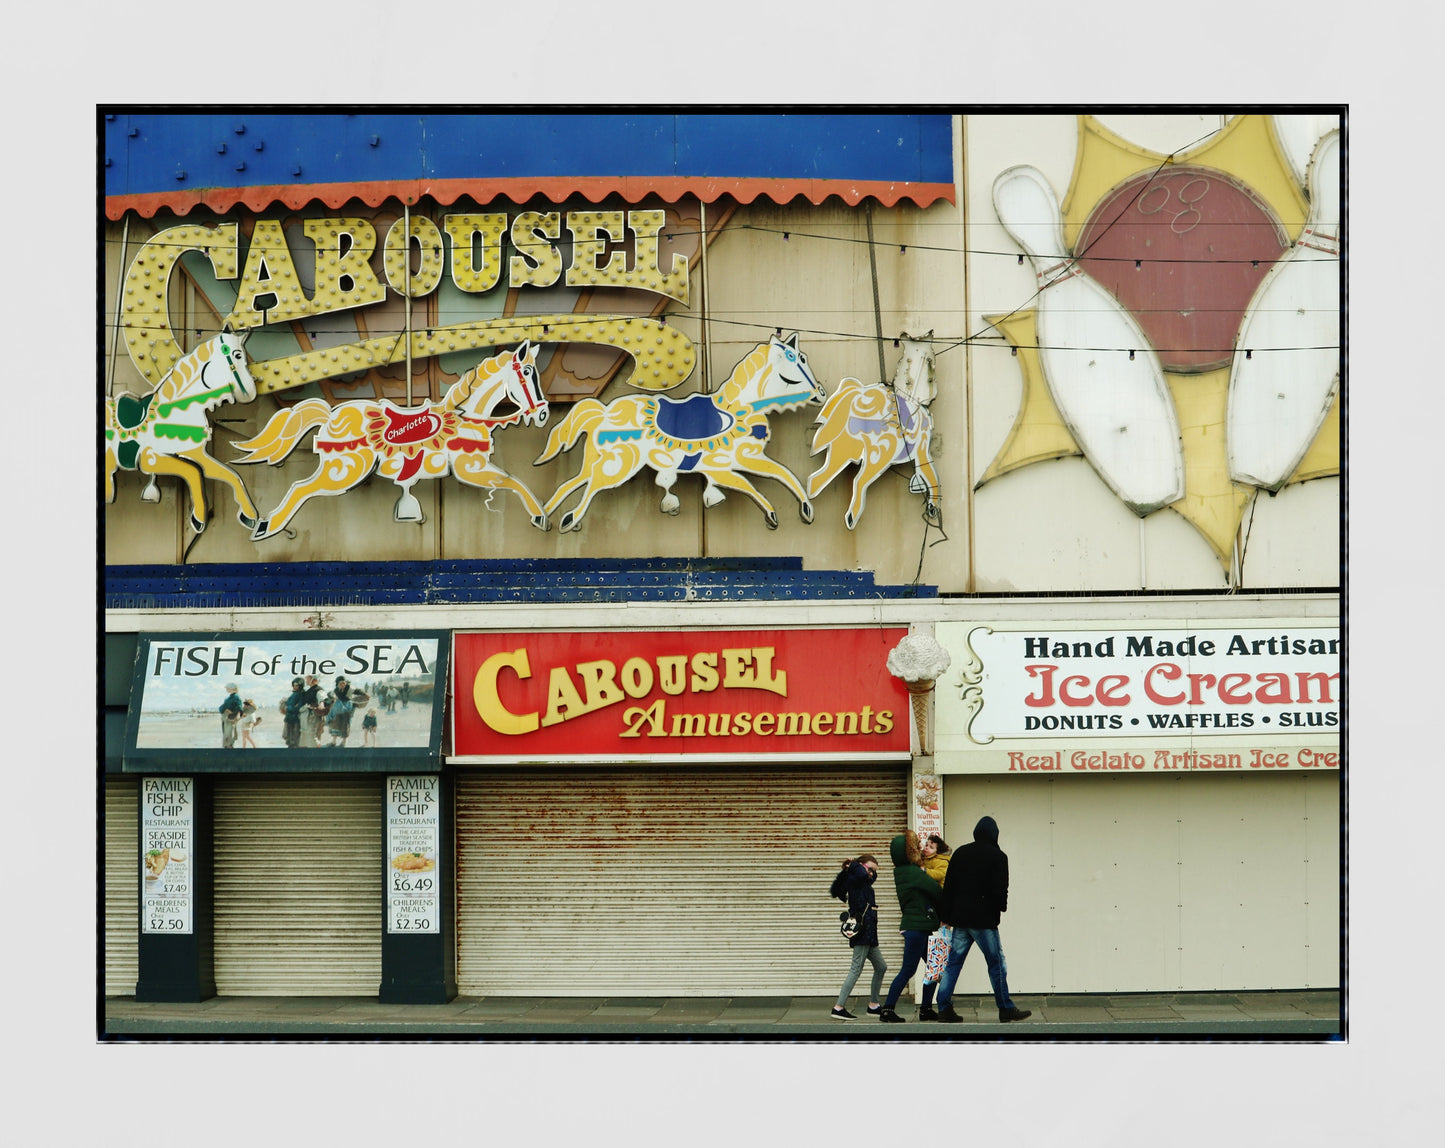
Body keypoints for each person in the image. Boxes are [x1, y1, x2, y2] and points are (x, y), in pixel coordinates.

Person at [935, 816, 1031, 1023]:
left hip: (960, 920)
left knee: (953, 964)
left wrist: (945, 917)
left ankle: (943, 1007)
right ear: (995, 834)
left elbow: (949, 887)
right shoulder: (998, 856)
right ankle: (1005, 1008)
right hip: (984, 922)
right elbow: (1001, 888)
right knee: (996, 963)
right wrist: (1001, 907)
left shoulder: (960, 853)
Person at [876, 830, 945, 1023]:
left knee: (933, 967)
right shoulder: (913, 872)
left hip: (918, 927)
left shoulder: (902, 871)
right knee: (909, 970)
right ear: (909, 852)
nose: (920, 849)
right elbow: (936, 892)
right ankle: (888, 1009)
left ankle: (925, 1010)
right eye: (916, 847)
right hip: (917, 929)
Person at [830, 853, 887, 1020]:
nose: (870, 874)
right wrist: (854, 864)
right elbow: (861, 874)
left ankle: (874, 1005)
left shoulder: (863, 880)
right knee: (856, 969)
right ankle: (838, 1007)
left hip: (870, 933)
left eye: (873, 871)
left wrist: (866, 870)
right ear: (860, 866)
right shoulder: (855, 880)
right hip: (862, 932)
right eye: (869, 869)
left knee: (881, 967)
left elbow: (868, 876)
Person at [918, 833, 952, 1019]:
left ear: (938, 851)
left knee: (936, 965)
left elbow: (939, 875)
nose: (926, 848)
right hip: (929, 918)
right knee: (934, 966)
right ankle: (928, 1007)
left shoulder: (942, 862)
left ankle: (936, 1006)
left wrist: (923, 870)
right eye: (926, 845)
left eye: (931, 846)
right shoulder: (923, 861)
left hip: (939, 919)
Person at [326, 677, 355, 747]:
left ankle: (343, 742)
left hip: (347, 707)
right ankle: (333, 742)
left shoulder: (349, 689)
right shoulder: (336, 690)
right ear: (337, 684)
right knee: (335, 724)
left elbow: (354, 695)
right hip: (337, 708)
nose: (342, 684)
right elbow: (331, 696)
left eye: (343, 683)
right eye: (340, 683)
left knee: (345, 725)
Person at [281, 676, 308, 748]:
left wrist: (288, 708)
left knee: (296, 738)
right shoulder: (294, 693)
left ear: (301, 686)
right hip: (289, 718)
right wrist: (289, 706)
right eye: (294, 685)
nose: (295, 687)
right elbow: (290, 704)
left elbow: (298, 707)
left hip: (296, 719)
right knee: (290, 738)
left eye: (297, 685)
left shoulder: (302, 694)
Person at [218, 683, 243, 748]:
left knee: (229, 734)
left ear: (231, 688)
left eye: (227, 688)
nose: (226, 689)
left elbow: (239, 708)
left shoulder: (236, 697)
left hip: (230, 718)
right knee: (226, 734)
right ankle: (227, 747)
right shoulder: (229, 697)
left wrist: (237, 716)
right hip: (226, 718)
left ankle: (229, 748)